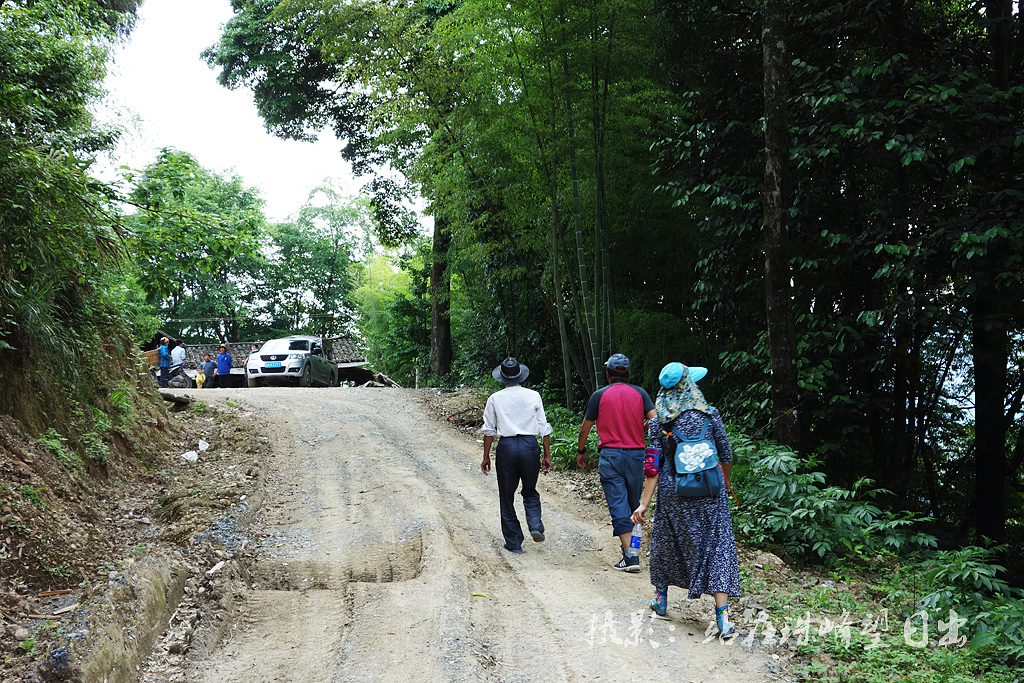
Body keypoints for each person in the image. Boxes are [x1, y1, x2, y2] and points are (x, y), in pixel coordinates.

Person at [630, 362, 741, 637]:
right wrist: (724, 482)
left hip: (673, 491)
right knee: (717, 548)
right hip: (709, 490)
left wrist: (644, 503)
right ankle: (723, 618)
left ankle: (660, 599)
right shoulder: (710, 415)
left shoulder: (659, 422)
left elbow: (652, 466)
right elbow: (725, 455)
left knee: (667, 543)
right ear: (690, 386)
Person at [576, 353, 656, 572]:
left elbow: (585, 428)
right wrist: (643, 429)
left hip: (610, 456)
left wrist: (581, 451)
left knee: (618, 506)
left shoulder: (599, 395)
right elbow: (655, 419)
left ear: (608, 374)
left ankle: (631, 558)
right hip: (636, 456)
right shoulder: (640, 393)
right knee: (634, 505)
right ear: (628, 374)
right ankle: (630, 552)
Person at [479, 357, 553, 553]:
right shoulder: (534, 395)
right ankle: (535, 525)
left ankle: (513, 542)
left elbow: (489, 430)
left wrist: (486, 456)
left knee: (506, 496)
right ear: (520, 376)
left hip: (507, 447)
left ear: (503, 378)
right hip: (530, 446)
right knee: (530, 490)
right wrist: (546, 455)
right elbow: (544, 428)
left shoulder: (495, 398)